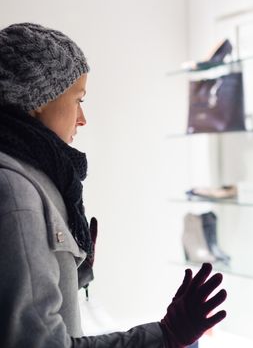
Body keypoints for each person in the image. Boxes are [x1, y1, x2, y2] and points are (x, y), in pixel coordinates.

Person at [0, 22, 227, 347]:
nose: (82, 118)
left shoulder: (31, 174)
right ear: (38, 98)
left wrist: (71, 272)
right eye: (78, 99)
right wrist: (166, 335)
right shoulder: (16, 189)